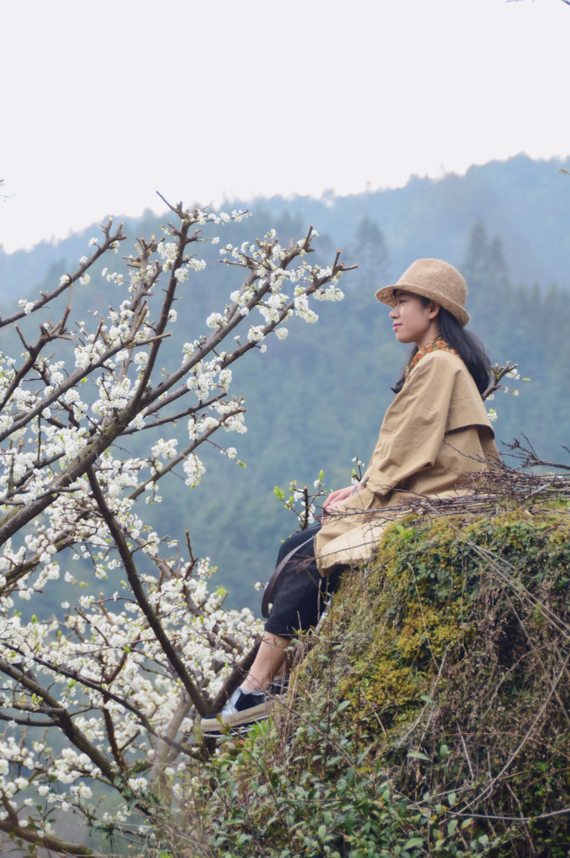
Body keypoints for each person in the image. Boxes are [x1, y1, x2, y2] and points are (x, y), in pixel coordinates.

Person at [201, 258, 500, 737]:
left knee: (309, 555)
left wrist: (362, 500)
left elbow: (409, 453)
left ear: (432, 307)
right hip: (417, 496)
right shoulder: (435, 361)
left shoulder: (440, 364)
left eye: (403, 301)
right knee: (294, 547)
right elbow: (409, 451)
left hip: (430, 503)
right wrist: (361, 490)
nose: (393, 311)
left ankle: (255, 689)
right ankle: (272, 684)